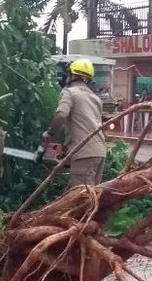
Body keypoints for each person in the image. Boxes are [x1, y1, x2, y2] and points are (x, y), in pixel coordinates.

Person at [42, 58, 108, 188]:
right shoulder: (95, 98)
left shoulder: (69, 92)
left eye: (68, 74)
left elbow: (61, 115)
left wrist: (49, 133)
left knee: (79, 199)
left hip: (84, 152)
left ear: (74, 75)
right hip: (100, 151)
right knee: (92, 196)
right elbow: (87, 126)